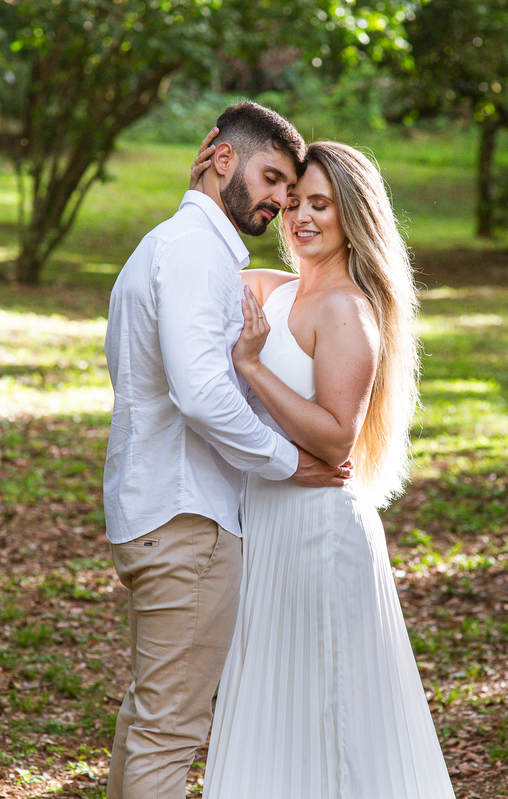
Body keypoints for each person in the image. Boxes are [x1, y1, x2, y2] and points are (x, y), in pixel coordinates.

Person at [188, 139, 457, 798]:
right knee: (274, 699)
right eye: (292, 202)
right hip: (270, 527)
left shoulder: (346, 309)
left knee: (328, 707)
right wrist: (202, 184)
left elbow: (338, 438)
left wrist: (250, 366)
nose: (300, 217)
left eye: (320, 204)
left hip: (317, 530)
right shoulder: (277, 292)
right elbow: (201, 257)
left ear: (351, 216)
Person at [102, 102, 349, 799]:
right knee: (170, 730)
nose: (279, 199)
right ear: (221, 158)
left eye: (289, 188)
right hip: (189, 522)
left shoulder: (163, 246)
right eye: (272, 177)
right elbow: (201, 393)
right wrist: (289, 461)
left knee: (150, 717)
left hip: (157, 510)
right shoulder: (193, 251)